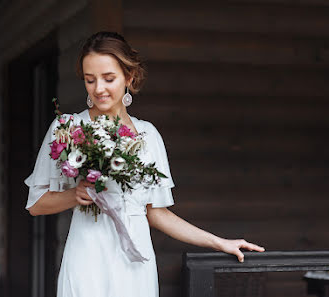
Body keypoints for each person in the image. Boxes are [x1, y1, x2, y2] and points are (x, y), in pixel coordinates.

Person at [24, 31, 265, 297]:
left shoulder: (148, 135)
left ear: (129, 77)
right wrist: (74, 194)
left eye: (108, 78)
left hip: (135, 264)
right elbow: (36, 204)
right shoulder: (68, 128)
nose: (99, 89)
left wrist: (220, 243)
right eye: (90, 80)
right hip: (87, 257)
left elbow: (156, 213)